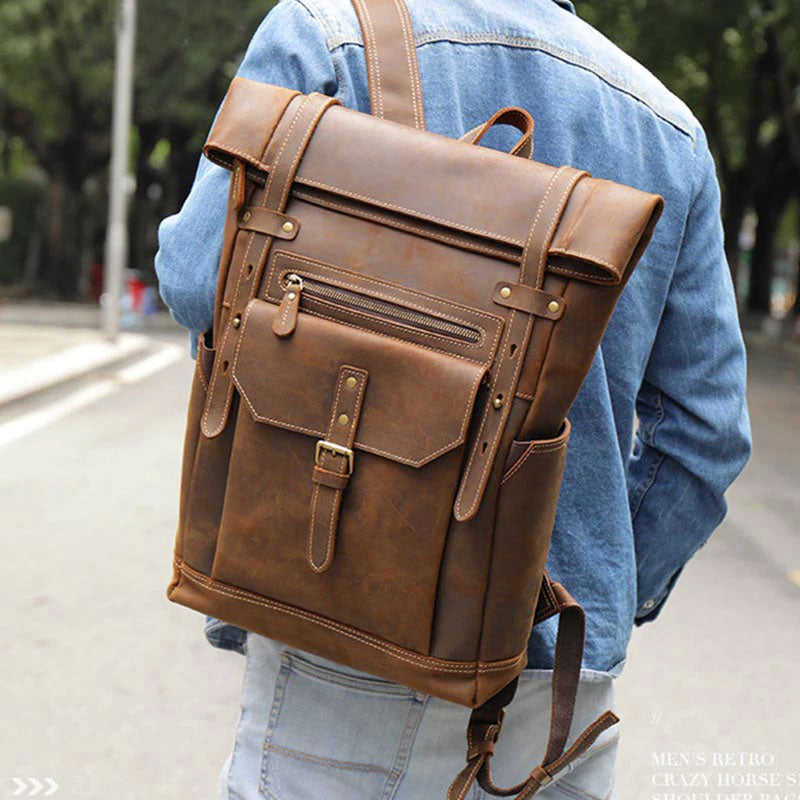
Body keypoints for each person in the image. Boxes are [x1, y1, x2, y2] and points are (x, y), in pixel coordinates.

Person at [155, 0, 751, 797]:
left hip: (346, 626)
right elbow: (708, 434)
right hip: (557, 696)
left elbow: (199, 279)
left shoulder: (326, 36)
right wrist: (589, 583)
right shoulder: (670, 132)